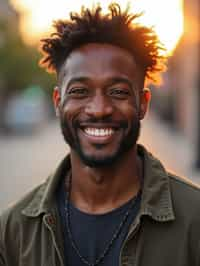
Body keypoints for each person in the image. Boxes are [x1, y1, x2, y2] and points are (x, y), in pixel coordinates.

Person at [0, 3, 200, 266]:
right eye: (80, 91)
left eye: (118, 92)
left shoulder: (194, 220)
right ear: (58, 102)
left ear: (143, 103)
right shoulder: (12, 233)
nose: (99, 109)